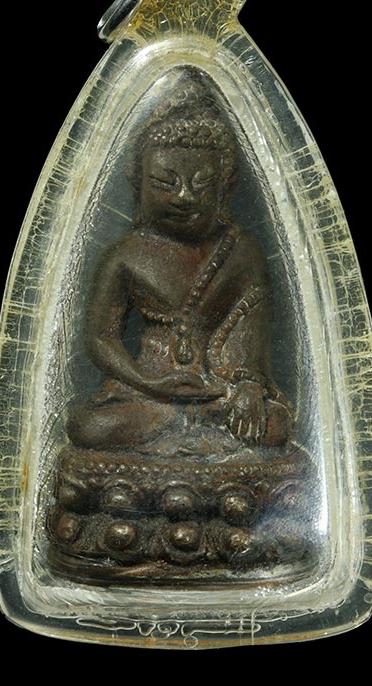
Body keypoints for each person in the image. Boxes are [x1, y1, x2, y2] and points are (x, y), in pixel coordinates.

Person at [66, 69, 291, 454]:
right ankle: (189, 431)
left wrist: (248, 388)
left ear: (226, 186)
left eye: (202, 184)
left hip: (219, 389)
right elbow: (100, 337)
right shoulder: (124, 255)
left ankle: (183, 431)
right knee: (87, 426)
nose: (184, 197)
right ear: (137, 183)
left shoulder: (243, 252)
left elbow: (253, 336)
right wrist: (149, 382)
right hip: (145, 390)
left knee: (276, 424)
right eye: (164, 183)